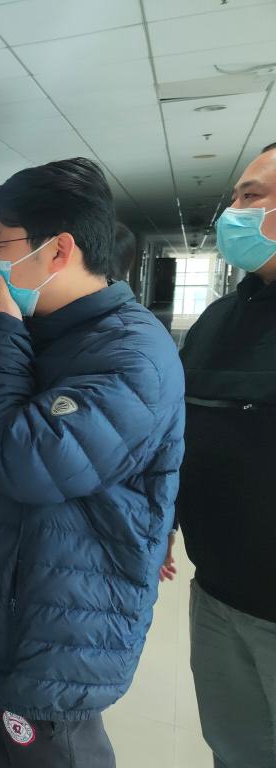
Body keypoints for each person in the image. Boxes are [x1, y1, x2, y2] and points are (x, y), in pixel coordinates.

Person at [0, 158, 185, 768]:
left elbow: (21, 458)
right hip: (8, 612)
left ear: (59, 250)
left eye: (1, 246)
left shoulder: (132, 355)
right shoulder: (47, 329)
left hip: (56, 640)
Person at [174, 141, 276, 768]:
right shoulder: (218, 320)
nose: (232, 211)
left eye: (251, 196)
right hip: (216, 592)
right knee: (233, 749)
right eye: (235, 196)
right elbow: (181, 433)